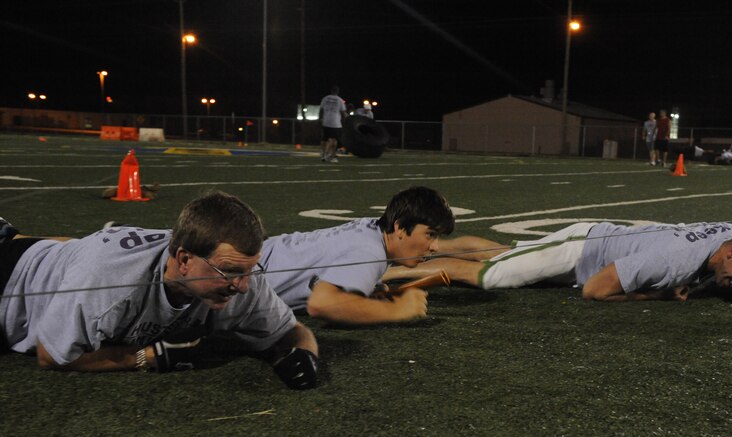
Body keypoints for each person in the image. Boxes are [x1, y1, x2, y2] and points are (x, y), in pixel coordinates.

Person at [0, 193, 320, 389]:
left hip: (60, 258)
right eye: (231, 272)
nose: (244, 285)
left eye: (251, 270)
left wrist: (306, 355)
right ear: (183, 260)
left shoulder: (240, 273)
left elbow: (294, 330)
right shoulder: (110, 278)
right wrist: (146, 357)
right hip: (10, 283)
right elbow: (52, 355)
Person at [384, 222, 732, 309]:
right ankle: (390, 273)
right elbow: (596, 289)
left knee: (505, 251)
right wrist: (655, 293)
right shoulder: (671, 262)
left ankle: (434, 246)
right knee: (492, 276)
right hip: (581, 254)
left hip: (593, 239)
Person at [261, 186, 459, 325]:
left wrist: (362, 294)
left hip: (259, 254)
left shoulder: (373, 229)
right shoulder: (371, 251)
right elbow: (322, 305)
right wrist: (398, 310)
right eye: (430, 234)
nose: (434, 246)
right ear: (399, 227)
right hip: (242, 277)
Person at [319, 85, 348, 163]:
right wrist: (347, 121)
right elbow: (343, 113)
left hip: (325, 121)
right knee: (334, 140)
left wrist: (320, 119)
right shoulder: (340, 100)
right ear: (338, 92)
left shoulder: (325, 98)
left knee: (325, 139)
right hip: (335, 123)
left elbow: (321, 110)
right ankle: (330, 156)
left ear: (331, 91)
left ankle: (323, 153)